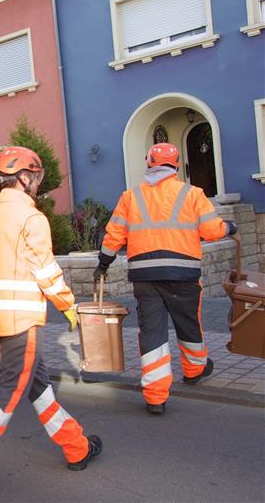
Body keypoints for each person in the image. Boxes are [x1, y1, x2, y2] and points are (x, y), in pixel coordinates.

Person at [0, 146, 101, 495]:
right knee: (12, 389)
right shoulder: (32, 220)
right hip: (23, 321)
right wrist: (69, 305)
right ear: (23, 179)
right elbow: (45, 271)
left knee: (39, 386)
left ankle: (76, 446)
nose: (36, 184)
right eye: (34, 177)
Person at [96, 142, 236, 415]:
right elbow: (211, 230)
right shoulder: (192, 193)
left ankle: (155, 396)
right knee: (188, 324)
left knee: (152, 332)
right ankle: (194, 370)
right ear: (175, 165)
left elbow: (114, 236)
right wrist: (229, 226)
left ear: (149, 163)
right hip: (183, 274)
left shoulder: (131, 196)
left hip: (145, 277)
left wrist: (103, 263)